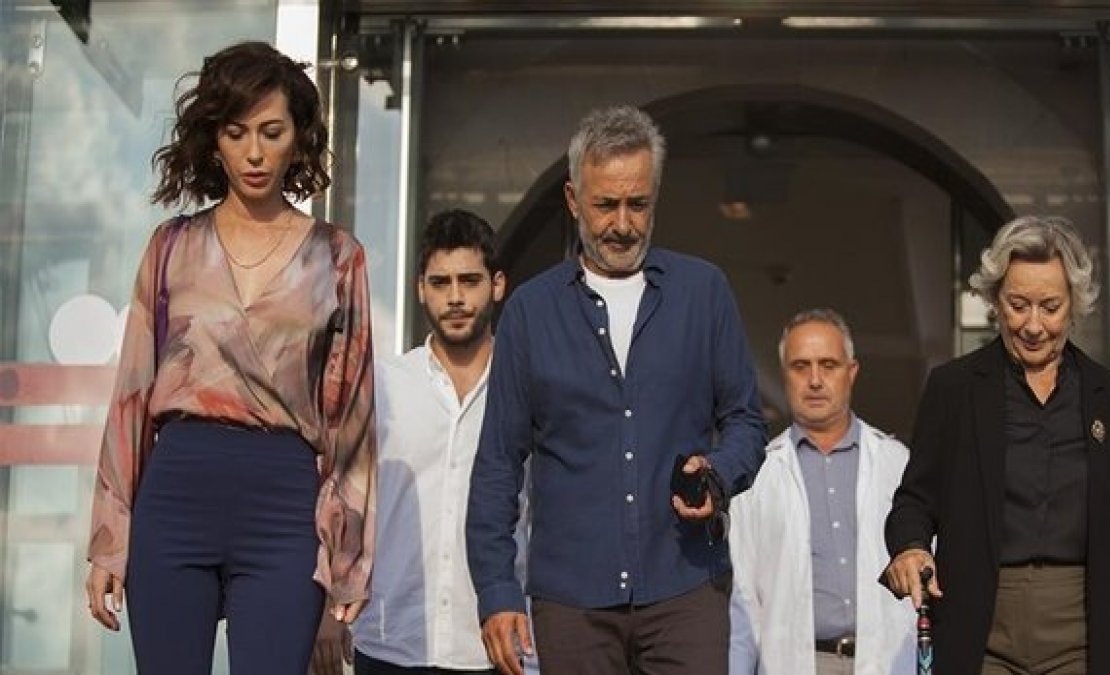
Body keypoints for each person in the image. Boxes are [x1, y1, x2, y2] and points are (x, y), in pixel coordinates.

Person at [84, 41, 377, 675]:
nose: (254, 152)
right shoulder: (171, 246)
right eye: (236, 132)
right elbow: (131, 395)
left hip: (283, 508)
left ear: (299, 138)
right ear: (213, 139)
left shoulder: (337, 256)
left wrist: (348, 555)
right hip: (176, 495)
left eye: (272, 132)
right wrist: (109, 537)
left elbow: (351, 422)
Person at [465, 104, 767, 675]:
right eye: (606, 204)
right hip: (571, 601)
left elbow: (747, 422)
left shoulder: (704, 293)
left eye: (638, 204)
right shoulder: (531, 311)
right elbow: (498, 463)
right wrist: (497, 591)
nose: (623, 224)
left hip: (686, 590)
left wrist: (718, 473)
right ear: (573, 199)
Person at [881, 215, 1110, 675]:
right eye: (1018, 305)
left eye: (1050, 307)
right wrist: (910, 546)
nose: (1033, 325)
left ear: (1074, 305)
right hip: (981, 633)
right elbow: (915, 499)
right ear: (997, 300)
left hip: (1082, 637)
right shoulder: (954, 389)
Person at [308, 209, 527, 675]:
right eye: (440, 282)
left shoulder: (528, 391)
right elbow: (338, 497)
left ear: (498, 285)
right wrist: (328, 605)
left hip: (498, 644)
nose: (455, 297)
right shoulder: (382, 387)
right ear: (420, 289)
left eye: (469, 281)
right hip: (391, 639)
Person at [729, 309, 913, 675]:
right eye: (801, 366)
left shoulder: (897, 464)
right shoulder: (757, 474)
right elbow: (742, 602)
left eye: (828, 365)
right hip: (796, 663)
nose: (814, 380)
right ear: (784, 374)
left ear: (852, 372)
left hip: (888, 661)